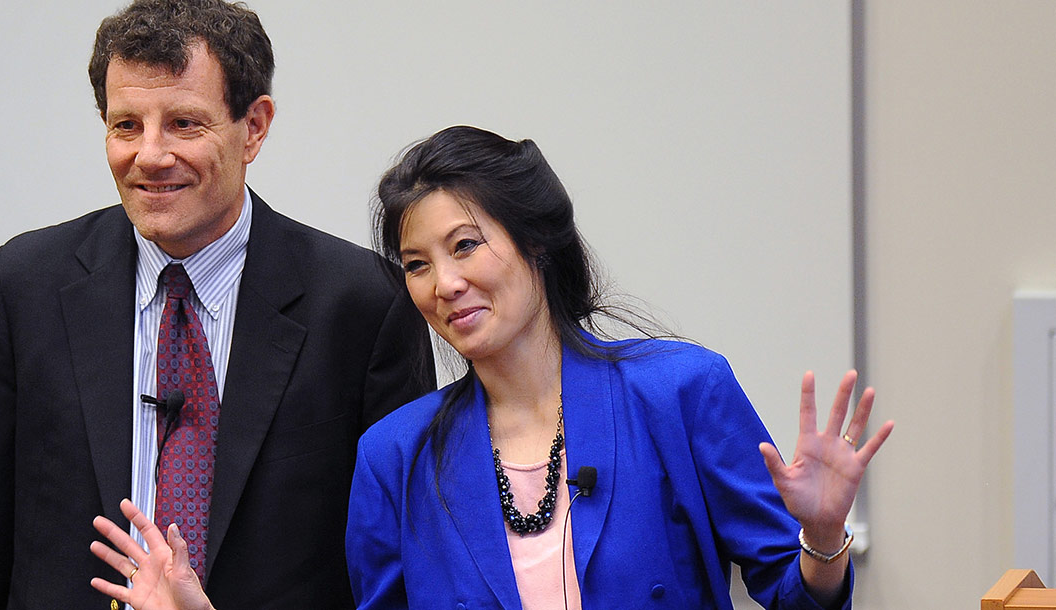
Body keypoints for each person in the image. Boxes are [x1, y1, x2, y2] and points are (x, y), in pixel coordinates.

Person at [89, 125, 893, 610]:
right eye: (415, 264)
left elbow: (800, 599)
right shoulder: (395, 458)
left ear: (536, 243)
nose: (445, 285)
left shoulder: (678, 392)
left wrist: (821, 541)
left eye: (465, 245)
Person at [0, 1, 435, 608]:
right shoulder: (26, 285)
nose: (149, 155)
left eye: (183, 123)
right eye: (126, 125)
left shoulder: (364, 304)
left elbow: (400, 556)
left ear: (253, 127)